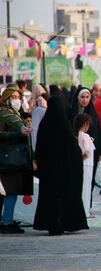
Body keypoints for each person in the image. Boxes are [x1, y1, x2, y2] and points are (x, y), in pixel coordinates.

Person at [34, 96, 88, 236]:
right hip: (64, 171)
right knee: (64, 196)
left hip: (49, 172)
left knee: (50, 197)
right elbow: (74, 151)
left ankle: (51, 224)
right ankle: (66, 222)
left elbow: (39, 149)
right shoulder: (64, 126)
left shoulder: (44, 125)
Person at [0, 87, 33, 234]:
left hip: (14, 158)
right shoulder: (3, 114)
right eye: (13, 97)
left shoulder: (15, 114)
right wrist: (17, 133)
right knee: (9, 191)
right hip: (7, 159)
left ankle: (6, 220)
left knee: (10, 191)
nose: (16, 100)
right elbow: (1, 134)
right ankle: (7, 221)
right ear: (6, 99)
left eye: (18, 97)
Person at [70, 87, 101, 205]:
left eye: (87, 97)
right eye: (82, 97)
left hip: (89, 153)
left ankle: (87, 204)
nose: (85, 100)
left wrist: (99, 151)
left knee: (89, 179)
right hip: (75, 151)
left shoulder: (93, 114)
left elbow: (98, 133)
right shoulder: (71, 112)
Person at [73, 113, 95, 219]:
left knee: (83, 188)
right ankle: (85, 211)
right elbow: (86, 151)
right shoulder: (85, 136)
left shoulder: (78, 135)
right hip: (86, 164)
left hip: (84, 164)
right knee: (86, 188)